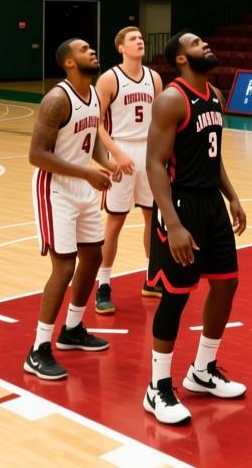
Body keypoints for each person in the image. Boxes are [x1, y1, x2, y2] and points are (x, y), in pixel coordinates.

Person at [141, 31, 247, 425]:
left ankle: (202, 370)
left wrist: (232, 196)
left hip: (211, 203)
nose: (205, 45)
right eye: (196, 43)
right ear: (180, 59)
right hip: (180, 203)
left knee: (226, 283)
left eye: (205, 41)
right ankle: (157, 388)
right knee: (175, 295)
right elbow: (154, 163)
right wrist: (172, 222)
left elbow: (213, 156)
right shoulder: (172, 99)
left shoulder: (215, 96)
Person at [24, 38, 120, 381]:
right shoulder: (56, 100)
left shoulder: (93, 95)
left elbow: (88, 138)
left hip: (82, 184)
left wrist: (105, 163)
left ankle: (73, 329)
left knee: (93, 256)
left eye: (91, 48)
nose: (91, 50)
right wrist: (87, 173)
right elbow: (36, 154)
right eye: (83, 49)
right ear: (68, 62)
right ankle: (37, 350)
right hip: (54, 189)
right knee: (64, 268)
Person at [94, 26, 164, 315]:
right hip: (121, 148)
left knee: (152, 217)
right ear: (120, 47)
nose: (140, 42)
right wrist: (117, 154)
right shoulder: (110, 78)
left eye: (141, 39)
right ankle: (103, 284)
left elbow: (160, 119)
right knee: (115, 221)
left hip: (148, 151)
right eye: (133, 39)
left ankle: (151, 276)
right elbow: (95, 123)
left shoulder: (154, 78)